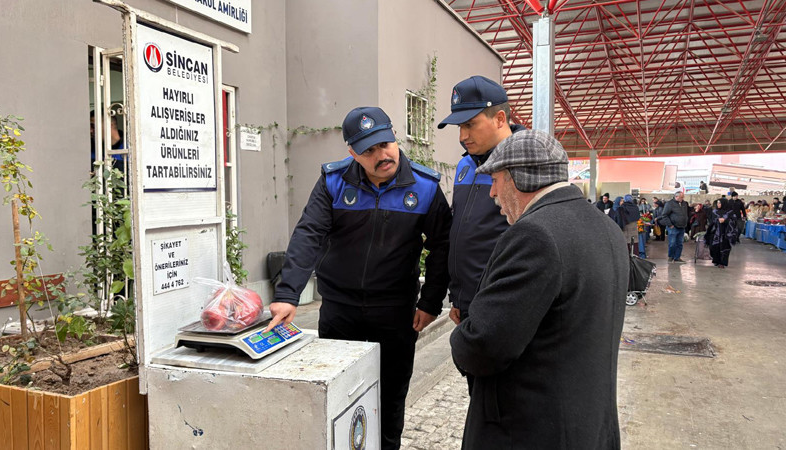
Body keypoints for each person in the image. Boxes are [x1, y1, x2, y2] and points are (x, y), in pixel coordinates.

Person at [267, 106, 452, 450]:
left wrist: (430, 303)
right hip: (340, 311)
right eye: (369, 150)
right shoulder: (334, 182)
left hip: (395, 313)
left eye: (386, 144)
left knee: (391, 396)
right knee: (338, 394)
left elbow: (443, 246)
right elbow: (309, 233)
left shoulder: (424, 188)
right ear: (352, 152)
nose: (382, 155)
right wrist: (288, 294)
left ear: (394, 138)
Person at [450, 130, 628, 449]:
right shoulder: (607, 228)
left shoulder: (535, 235)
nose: (492, 193)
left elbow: (484, 345)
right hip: (588, 427)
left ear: (518, 179)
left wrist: (460, 334)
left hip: (533, 432)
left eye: (495, 180)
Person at [437, 75, 526, 328]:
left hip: (504, 304)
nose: (462, 136)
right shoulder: (466, 165)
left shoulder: (526, 164)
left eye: (470, 125)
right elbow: (465, 233)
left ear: (499, 119)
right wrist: (458, 298)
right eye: (459, 127)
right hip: (467, 303)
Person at [705, 198, 737, 268]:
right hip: (715, 233)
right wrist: (717, 221)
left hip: (725, 233)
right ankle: (716, 260)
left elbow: (734, 222)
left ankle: (722, 263)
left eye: (720, 203)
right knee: (713, 248)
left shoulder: (730, 212)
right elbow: (711, 221)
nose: (718, 204)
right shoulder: (714, 211)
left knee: (724, 248)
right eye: (717, 203)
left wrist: (726, 221)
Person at [659, 191, 689, 263]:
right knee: (672, 243)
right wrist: (670, 225)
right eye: (681, 197)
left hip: (682, 227)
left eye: (683, 197)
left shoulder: (684, 204)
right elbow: (664, 215)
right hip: (673, 227)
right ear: (676, 197)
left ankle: (677, 257)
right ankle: (671, 256)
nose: (683, 198)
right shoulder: (669, 204)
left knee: (680, 243)